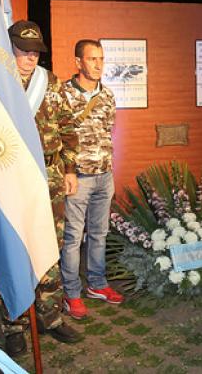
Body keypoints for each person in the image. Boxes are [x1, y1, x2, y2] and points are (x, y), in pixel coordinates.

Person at [3, 20, 82, 355]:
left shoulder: (49, 82)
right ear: (9, 49)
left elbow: (67, 125)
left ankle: (49, 316)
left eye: (35, 52)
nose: (30, 58)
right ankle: (15, 323)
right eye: (23, 50)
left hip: (48, 177)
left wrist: (70, 168)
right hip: (11, 180)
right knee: (15, 249)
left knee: (50, 247)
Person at [61, 40, 123, 321]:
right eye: (92, 59)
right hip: (77, 178)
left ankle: (97, 285)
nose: (98, 64)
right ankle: (71, 292)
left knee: (99, 234)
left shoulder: (108, 95)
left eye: (101, 58)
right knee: (73, 238)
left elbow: (107, 133)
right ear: (78, 62)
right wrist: (68, 171)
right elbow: (56, 137)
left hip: (104, 176)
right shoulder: (61, 94)